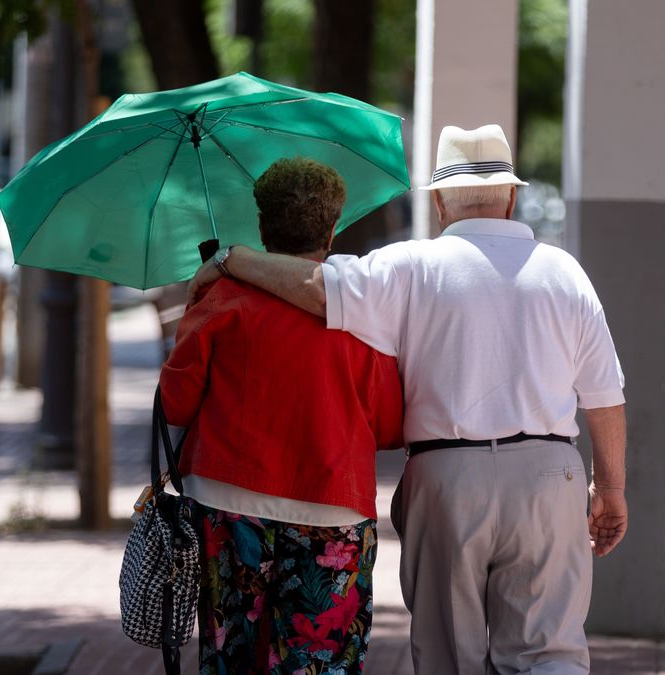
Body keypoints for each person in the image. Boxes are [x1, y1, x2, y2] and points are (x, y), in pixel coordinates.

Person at [187, 125, 629, 674]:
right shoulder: (565, 272)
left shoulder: (409, 266)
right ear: (511, 197)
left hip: (447, 478)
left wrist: (231, 260)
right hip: (549, 476)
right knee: (549, 652)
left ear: (440, 202)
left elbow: (313, 287)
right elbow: (605, 394)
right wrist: (608, 487)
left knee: (449, 653)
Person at [159, 157, 404, 674]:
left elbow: (176, 403)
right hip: (331, 507)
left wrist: (194, 305)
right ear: (334, 227)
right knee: (322, 661)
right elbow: (388, 425)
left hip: (229, 502)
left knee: (231, 658)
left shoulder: (221, 298)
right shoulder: (361, 311)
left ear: (263, 227)